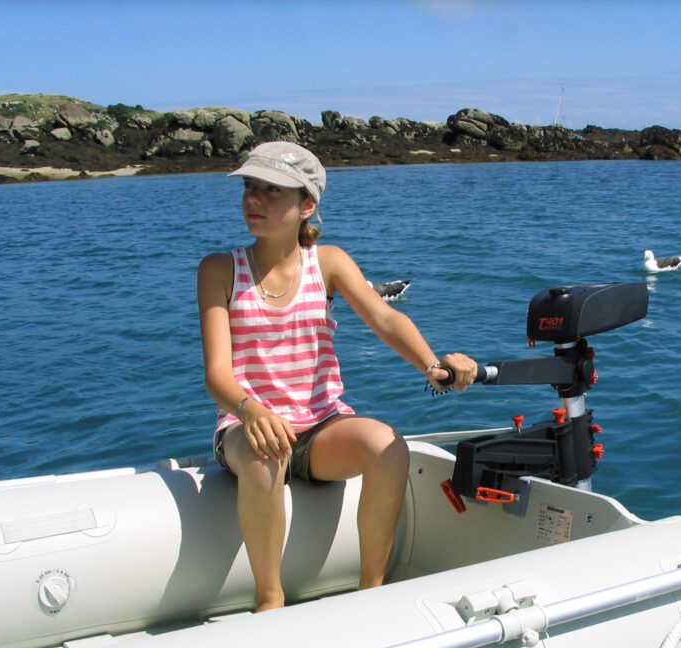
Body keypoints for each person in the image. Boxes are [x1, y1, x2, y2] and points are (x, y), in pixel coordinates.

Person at [198, 141, 477, 612]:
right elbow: (217, 374)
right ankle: (270, 600)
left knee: (388, 445)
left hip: (321, 426)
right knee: (266, 455)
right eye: (250, 187)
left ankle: (370, 594)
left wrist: (434, 366)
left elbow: (385, 320)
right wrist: (251, 411)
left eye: (271, 190)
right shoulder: (219, 270)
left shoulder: (327, 263)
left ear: (307, 204)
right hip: (247, 426)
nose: (253, 199)